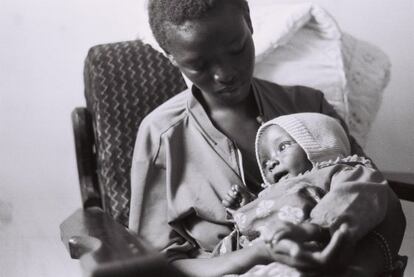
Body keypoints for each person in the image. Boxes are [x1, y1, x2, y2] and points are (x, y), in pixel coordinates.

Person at [128, 0, 406, 276]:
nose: (225, 74)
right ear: (171, 56)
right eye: (198, 65)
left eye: (236, 49)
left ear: (248, 21)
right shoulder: (161, 136)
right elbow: (153, 267)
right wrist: (259, 253)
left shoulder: (310, 107)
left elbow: (382, 203)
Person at [220, 112, 396, 276]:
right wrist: (245, 208)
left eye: (283, 146)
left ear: (319, 144)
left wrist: (314, 227)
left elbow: (356, 195)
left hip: (303, 256)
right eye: (265, 162)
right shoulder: (267, 194)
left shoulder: (337, 172)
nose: (271, 162)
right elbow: (256, 225)